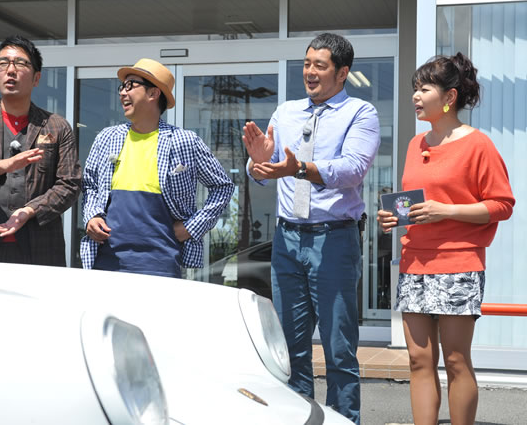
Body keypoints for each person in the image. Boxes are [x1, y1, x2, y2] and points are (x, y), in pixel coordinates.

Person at [242, 33, 380, 424]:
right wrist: (258, 163)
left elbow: (352, 170)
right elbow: (264, 172)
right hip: (287, 240)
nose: (310, 72)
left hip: (334, 239)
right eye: (306, 64)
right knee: (290, 351)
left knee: (338, 349)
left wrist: (299, 168)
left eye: (320, 65)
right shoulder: (285, 112)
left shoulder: (360, 112)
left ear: (342, 72)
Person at [377, 53, 514, 425]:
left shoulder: (478, 144)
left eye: (424, 89)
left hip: (458, 263)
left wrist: (447, 210)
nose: (415, 96)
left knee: (455, 360)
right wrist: (393, 217)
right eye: (415, 89)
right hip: (414, 262)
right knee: (418, 360)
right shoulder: (414, 144)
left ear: (449, 96)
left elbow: (502, 204)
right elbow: (415, 204)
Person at [80, 58, 234, 277]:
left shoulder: (184, 141)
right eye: (121, 86)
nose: (122, 92)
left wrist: (191, 227)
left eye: (130, 85)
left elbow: (223, 187)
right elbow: (90, 185)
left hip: (161, 263)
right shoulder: (107, 137)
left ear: (153, 93)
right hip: (106, 261)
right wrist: (92, 216)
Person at [0, 35, 81, 266]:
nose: (10, 70)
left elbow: (70, 184)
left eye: (20, 63)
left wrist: (31, 210)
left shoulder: (56, 126)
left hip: (40, 247)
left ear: (36, 78)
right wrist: (3, 165)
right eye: (3, 64)